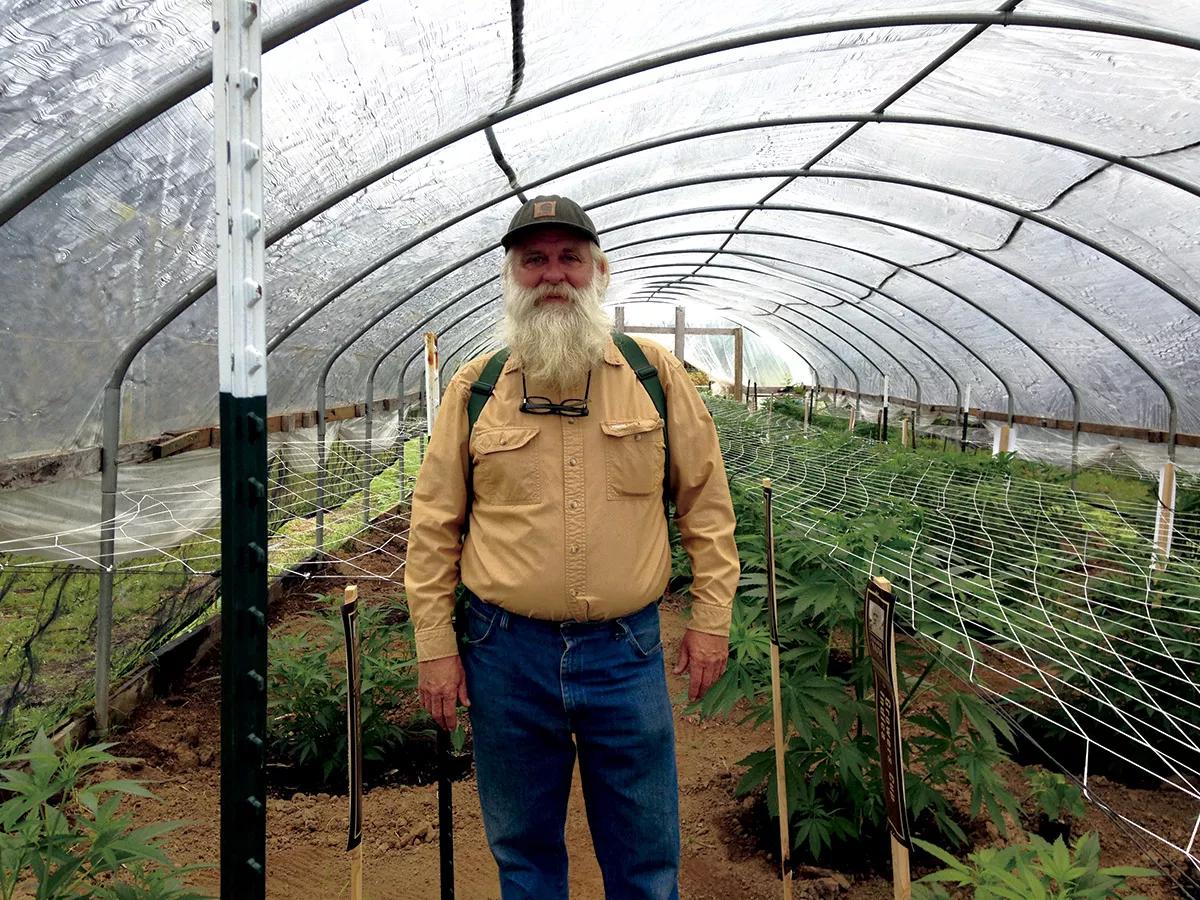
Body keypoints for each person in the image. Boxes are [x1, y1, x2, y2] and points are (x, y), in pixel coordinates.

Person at [404, 194, 740, 899]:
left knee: (645, 853)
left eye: (569, 259)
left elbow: (705, 505)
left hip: (627, 652)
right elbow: (435, 525)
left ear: (598, 271)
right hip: (505, 654)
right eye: (534, 261)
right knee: (524, 854)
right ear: (511, 275)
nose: (553, 275)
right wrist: (436, 645)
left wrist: (711, 620)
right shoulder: (477, 387)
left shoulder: (654, 376)